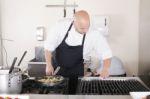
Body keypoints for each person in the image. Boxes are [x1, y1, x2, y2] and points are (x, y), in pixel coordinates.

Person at [44, 10, 112, 79]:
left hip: (77, 73)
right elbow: (48, 48)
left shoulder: (94, 33)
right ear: (74, 23)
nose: (86, 31)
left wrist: (106, 69)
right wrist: (49, 65)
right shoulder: (60, 27)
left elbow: (106, 53)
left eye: (88, 27)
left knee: (76, 89)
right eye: (82, 28)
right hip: (58, 71)